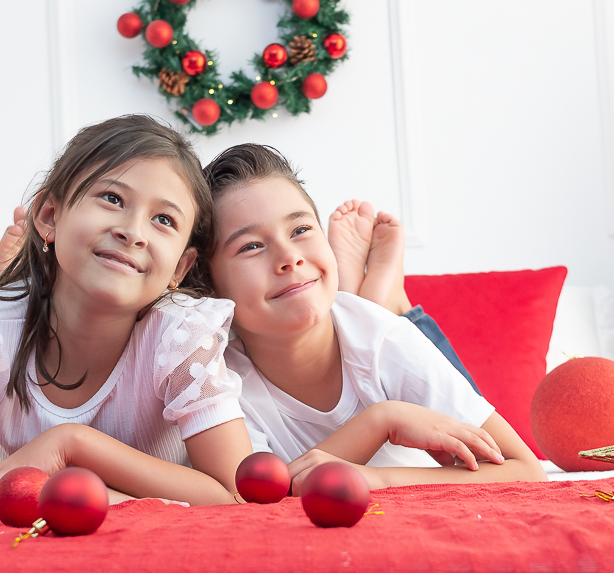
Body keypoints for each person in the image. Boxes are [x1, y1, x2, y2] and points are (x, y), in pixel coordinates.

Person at [0, 116, 253, 511]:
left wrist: (71, 443)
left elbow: (235, 494)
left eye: (163, 220)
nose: (133, 231)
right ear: (50, 215)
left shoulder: (182, 336)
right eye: (112, 198)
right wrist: (42, 496)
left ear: (180, 268)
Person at [193, 144, 547, 493]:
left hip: (372, 331)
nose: (290, 257)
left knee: (372, 320)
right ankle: (377, 295)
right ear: (209, 287)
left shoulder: (383, 339)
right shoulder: (220, 385)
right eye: (251, 246)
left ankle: (384, 299)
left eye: (300, 230)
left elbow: (527, 470)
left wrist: (378, 478)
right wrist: (382, 420)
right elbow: (260, 499)